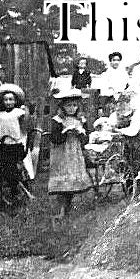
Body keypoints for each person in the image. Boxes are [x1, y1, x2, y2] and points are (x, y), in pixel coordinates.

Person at [47, 89, 94, 218]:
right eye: (68, 105)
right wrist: (64, 133)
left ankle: (68, 207)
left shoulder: (81, 120)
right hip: (61, 154)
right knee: (63, 183)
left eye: (74, 105)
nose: (72, 108)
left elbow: (86, 138)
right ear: (62, 106)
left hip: (74, 154)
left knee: (72, 182)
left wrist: (80, 134)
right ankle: (62, 209)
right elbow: (54, 138)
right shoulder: (58, 120)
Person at [0, 83, 29, 202]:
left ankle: (15, 190)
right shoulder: (0, 115)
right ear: (2, 102)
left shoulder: (18, 112)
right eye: (6, 100)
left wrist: (26, 110)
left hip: (16, 146)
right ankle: (2, 185)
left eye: (11, 99)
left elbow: (26, 122)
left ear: (15, 101)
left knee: (10, 167)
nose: (8, 102)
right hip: (4, 145)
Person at [112, 103, 140, 200]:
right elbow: (115, 124)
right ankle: (129, 192)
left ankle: (139, 191)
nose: (126, 118)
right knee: (128, 167)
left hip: (138, 147)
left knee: (139, 168)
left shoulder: (136, 120)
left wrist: (119, 131)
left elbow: (133, 131)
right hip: (129, 147)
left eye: (127, 116)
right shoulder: (119, 117)